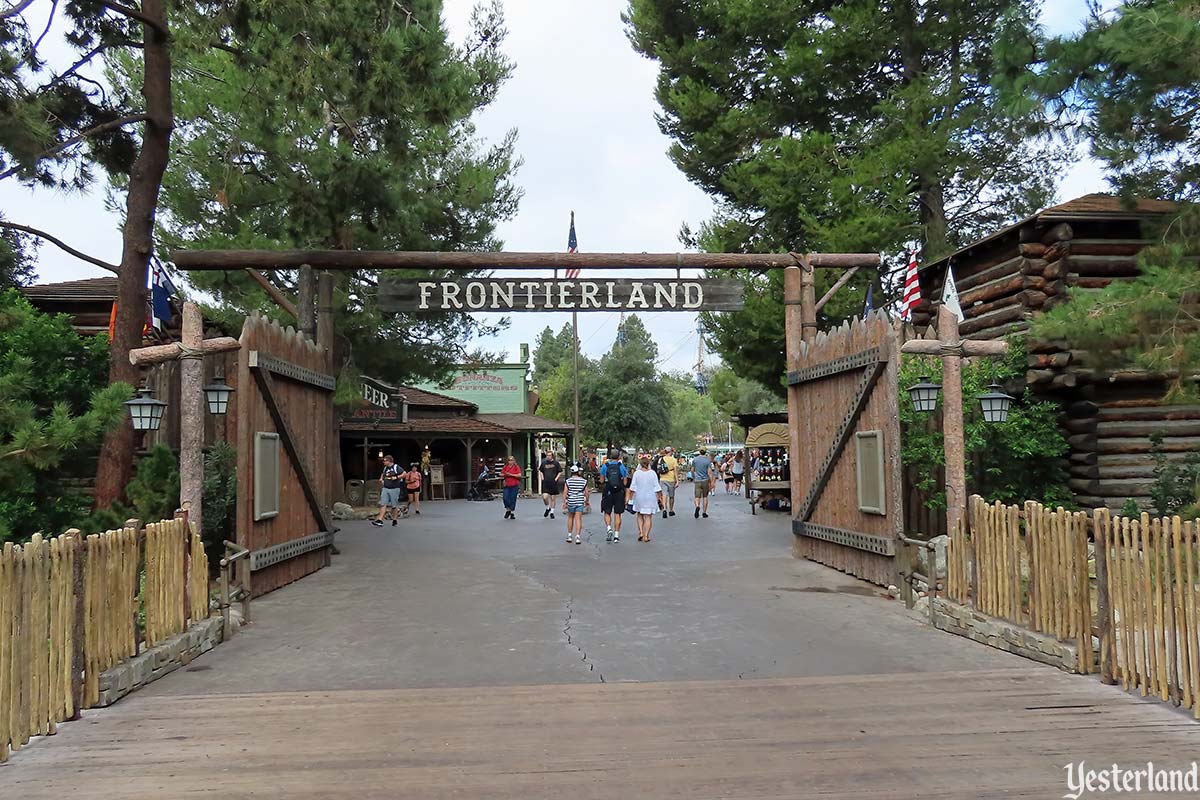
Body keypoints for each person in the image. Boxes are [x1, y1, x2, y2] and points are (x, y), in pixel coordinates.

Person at [629, 455, 663, 542]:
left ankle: (640, 532)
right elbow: (657, 487)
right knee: (648, 517)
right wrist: (660, 497)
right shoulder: (652, 473)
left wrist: (630, 498)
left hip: (639, 497)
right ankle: (646, 535)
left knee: (639, 515)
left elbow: (632, 487)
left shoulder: (637, 473)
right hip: (650, 497)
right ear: (648, 463)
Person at [599, 449, 628, 542]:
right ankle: (616, 535)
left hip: (608, 491)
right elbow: (625, 481)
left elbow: (602, 480)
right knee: (617, 513)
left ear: (610, 456)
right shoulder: (622, 466)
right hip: (619, 492)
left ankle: (609, 528)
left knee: (607, 512)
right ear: (619, 456)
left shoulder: (605, 466)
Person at [372, 454, 403, 527]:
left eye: (385, 461)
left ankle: (394, 519)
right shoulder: (385, 468)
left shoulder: (396, 467)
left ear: (389, 461)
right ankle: (380, 520)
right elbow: (383, 474)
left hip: (394, 488)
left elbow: (405, 474)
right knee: (383, 504)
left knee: (394, 506)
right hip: (385, 488)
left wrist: (397, 477)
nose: (383, 462)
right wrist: (381, 479)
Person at [562, 464, 589, 545]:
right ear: (578, 472)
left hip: (571, 501)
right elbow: (586, 493)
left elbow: (565, 492)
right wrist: (587, 500)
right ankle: (577, 536)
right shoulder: (583, 481)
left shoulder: (568, 481)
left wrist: (564, 502)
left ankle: (569, 535)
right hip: (580, 501)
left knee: (570, 517)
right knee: (578, 519)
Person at [539, 451, 564, 520]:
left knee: (553, 498)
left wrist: (556, 478)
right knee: (545, 497)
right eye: (547, 455)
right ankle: (548, 507)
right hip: (546, 482)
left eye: (549, 455)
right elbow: (541, 470)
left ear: (552, 456)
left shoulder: (556, 463)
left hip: (553, 482)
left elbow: (560, 471)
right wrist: (542, 477)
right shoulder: (544, 463)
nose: (548, 456)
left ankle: (552, 512)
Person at [692, 447, 714, 519]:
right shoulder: (707, 461)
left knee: (697, 496)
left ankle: (697, 506)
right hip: (705, 480)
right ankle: (704, 512)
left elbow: (692, 470)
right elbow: (709, 472)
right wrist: (712, 482)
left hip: (697, 480)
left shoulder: (695, 460)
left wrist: (693, 477)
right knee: (705, 496)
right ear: (705, 452)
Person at [657, 446, 680, 519]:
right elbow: (676, 471)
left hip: (662, 478)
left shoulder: (661, 459)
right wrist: (677, 481)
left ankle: (664, 509)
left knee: (664, 494)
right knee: (671, 495)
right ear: (670, 452)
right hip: (671, 479)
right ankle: (671, 510)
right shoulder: (673, 460)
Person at [501, 455, 523, 519]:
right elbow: (501, 473)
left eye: (512, 460)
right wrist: (505, 474)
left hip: (514, 485)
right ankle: (508, 509)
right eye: (509, 460)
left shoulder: (516, 467)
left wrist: (510, 475)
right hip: (507, 485)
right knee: (505, 498)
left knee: (513, 499)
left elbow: (519, 475)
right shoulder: (505, 467)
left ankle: (512, 512)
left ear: (514, 461)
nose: (510, 461)